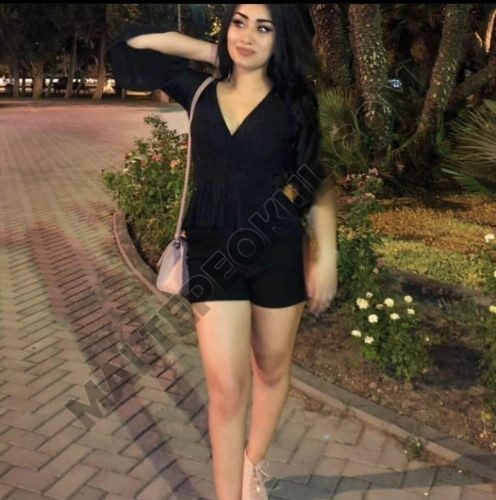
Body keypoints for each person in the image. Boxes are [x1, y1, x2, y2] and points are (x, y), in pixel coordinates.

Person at [109, 4, 338, 499]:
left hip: (276, 248)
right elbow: (127, 50)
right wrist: (211, 52)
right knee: (228, 389)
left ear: (281, 38)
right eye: (239, 23)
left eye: (263, 28)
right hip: (213, 253)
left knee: (271, 369)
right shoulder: (198, 91)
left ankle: (253, 463)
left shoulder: (295, 101)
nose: (247, 36)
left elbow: (313, 176)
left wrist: (327, 255)